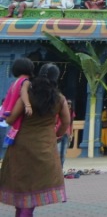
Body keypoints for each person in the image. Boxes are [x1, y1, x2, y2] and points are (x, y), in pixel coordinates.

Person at [0, 66, 71, 214]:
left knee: (21, 182)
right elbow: (66, 122)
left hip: (22, 145)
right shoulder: (59, 99)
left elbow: (11, 120)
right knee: (36, 183)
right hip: (45, 145)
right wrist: (55, 135)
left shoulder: (27, 96)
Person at [1, 57, 35, 156]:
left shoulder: (15, 82)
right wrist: (28, 105)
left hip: (11, 110)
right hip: (19, 109)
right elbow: (23, 92)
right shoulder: (26, 81)